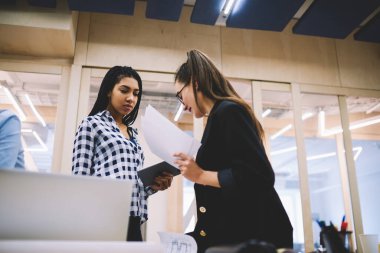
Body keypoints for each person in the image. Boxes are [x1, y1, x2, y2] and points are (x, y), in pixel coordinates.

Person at [173, 50, 293, 253]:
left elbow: (258, 175)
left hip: (257, 239)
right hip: (239, 236)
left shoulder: (228, 111)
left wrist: (200, 174)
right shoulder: (217, 117)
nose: (182, 105)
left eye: (179, 94)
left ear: (194, 82)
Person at [72, 66, 173, 241]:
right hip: (103, 217)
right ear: (109, 91)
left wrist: (154, 185)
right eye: (124, 90)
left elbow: (134, 185)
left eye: (136, 94)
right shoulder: (91, 124)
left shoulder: (132, 134)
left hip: (133, 220)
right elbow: (80, 180)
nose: (131, 98)